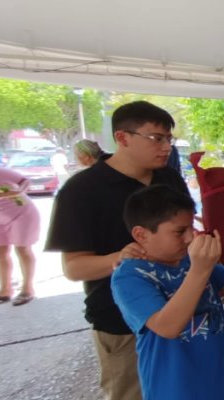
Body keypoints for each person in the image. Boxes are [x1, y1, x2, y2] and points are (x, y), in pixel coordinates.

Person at [45, 100, 190, 400]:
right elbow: (74, 269)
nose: (166, 147)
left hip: (182, 311)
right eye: (156, 138)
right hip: (123, 324)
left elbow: (187, 235)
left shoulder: (169, 178)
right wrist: (120, 257)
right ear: (123, 138)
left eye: (168, 139)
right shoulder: (82, 190)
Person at [111, 185, 224, 400]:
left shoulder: (190, 259)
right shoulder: (130, 275)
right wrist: (200, 269)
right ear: (141, 234)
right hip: (177, 389)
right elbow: (167, 326)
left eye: (191, 229)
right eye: (179, 231)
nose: (189, 238)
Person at [0, 167, 39, 306]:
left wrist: (18, 191)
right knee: (0, 253)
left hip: (22, 214)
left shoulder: (1, 172)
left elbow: (25, 181)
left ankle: (27, 288)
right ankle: (5, 290)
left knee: (22, 249)